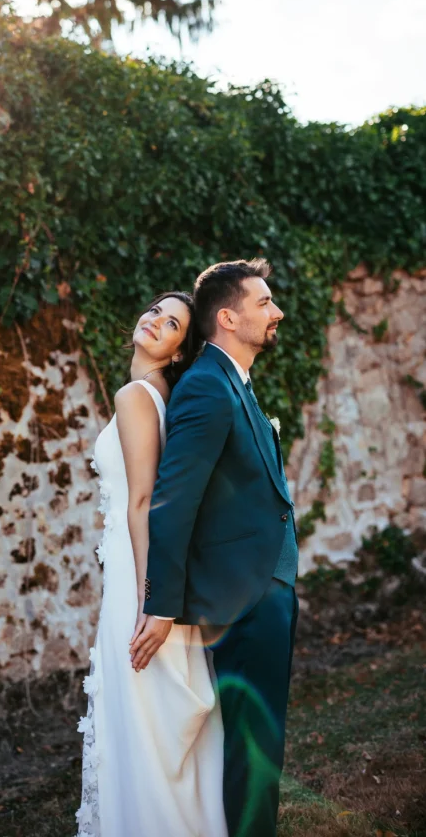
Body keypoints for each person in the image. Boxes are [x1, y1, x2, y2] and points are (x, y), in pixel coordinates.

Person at [133, 259, 298, 837]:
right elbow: (173, 501)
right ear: (228, 318)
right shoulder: (206, 385)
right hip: (244, 599)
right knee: (254, 756)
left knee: (262, 748)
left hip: (264, 590)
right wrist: (160, 602)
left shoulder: (234, 381)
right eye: (264, 303)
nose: (277, 312)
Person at [76, 292, 227, 837]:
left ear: (178, 350)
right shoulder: (161, 395)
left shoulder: (137, 396)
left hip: (136, 571)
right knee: (149, 708)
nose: (154, 322)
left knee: (139, 711)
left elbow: (143, 502)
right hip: (144, 564)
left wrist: (149, 596)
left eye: (171, 324)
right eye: (155, 312)